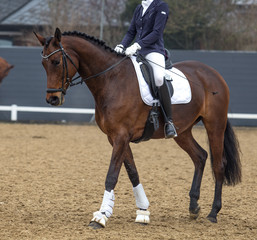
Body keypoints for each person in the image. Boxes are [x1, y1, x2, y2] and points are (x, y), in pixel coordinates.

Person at [114, 0, 177, 138]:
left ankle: (169, 122)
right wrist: (122, 45)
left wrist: (137, 45)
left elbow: (156, 32)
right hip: (137, 51)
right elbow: (131, 32)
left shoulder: (161, 6)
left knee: (159, 78)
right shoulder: (139, 8)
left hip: (153, 50)